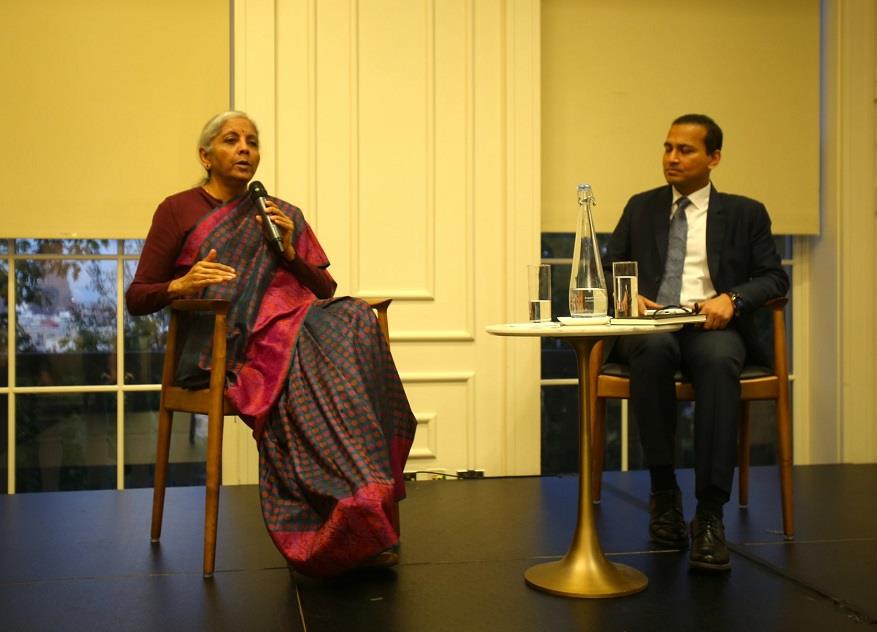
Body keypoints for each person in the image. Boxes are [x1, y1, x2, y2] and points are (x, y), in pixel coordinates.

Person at [126, 111, 417, 576]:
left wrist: (289, 250)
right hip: (223, 349)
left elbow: (324, 289)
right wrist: (181, 285)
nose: (245, 148)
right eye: (231, 140)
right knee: (312, 355)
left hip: (294, 331)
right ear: (206, 155)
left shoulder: (282, 213)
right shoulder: (177, 210)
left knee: (354, 317)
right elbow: (138, 297)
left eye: (252, 141)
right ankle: (346, 507)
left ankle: (364, 499)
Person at [604, 114, 789, 571]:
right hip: (652, 327)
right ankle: (664, 493)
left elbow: (773, 277)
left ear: (714, 158)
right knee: (653, 352)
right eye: (667, 147)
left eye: (685, 150)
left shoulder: (746, 213)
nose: (671, 157)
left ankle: (709, 513)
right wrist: (629, 296)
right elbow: (607, 270)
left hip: (712, 326)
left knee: (719, 362)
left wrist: (733, 298)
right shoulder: (641, 206)